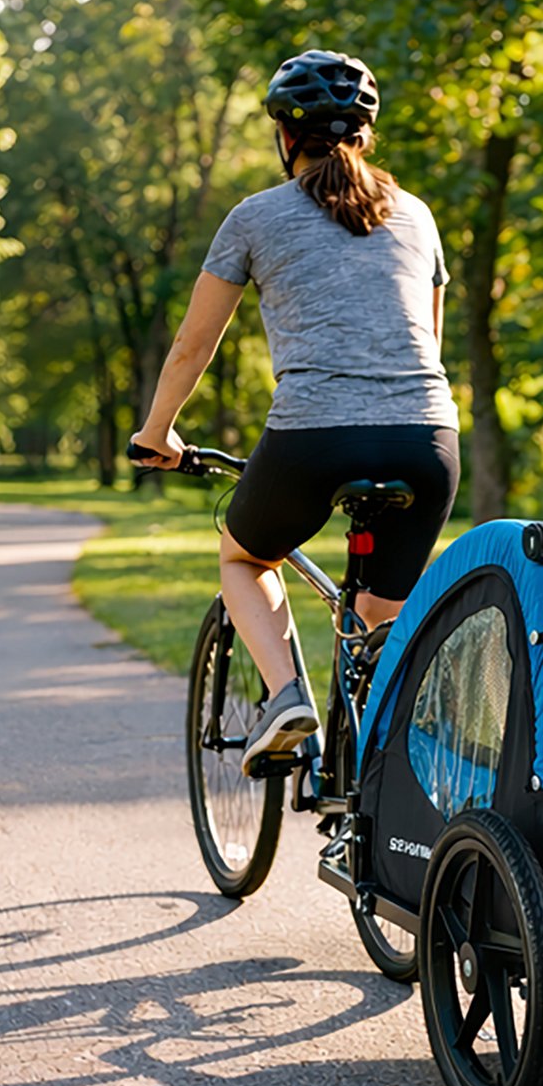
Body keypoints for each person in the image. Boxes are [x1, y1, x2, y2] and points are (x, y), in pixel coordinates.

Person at [130, 49, 460, 774]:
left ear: (286, 135)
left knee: (244, 555)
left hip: (316, 435)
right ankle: (385, 784)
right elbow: (428, 344)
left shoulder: (256, 217)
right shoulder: (418, 215)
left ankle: (286, 697)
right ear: (365, 135)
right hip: (427, 439)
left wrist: (157, 433)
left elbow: (192, 346)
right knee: (381, 620)